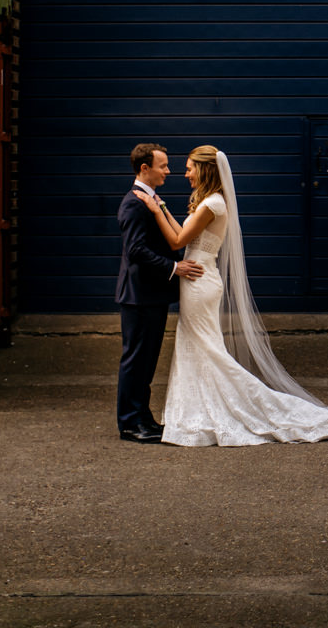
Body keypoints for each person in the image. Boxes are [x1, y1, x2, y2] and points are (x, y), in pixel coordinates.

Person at [133, 145, 328, 446]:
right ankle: (196, 414)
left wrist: (153, 207)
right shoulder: (210, 202)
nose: (184, 173)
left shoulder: (213, 204)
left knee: (209, 350)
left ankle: (244, 408)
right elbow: (183, 235)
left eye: (189, 168)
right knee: (199, 346)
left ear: (204, 169)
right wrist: (160, 205)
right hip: (196, 279)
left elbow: (176, 241)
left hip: (200, 283)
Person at [115, 143, 203, 444]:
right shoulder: (133, 203)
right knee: (136, 360)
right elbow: (136, 250)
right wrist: (174, 267)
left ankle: (143, 418)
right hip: (138, 296)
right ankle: (129, 424)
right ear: (144, 168)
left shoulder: (151, 200)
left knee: (147, 361)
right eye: (163, 166)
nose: (168, 171)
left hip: (152, 295)